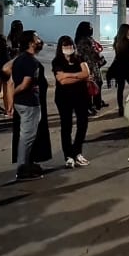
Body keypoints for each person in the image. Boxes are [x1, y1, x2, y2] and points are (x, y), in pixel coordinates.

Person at [6, 30, 45, 180]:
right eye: (37, 38)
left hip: (21, 103)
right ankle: (22, 168)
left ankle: (26, 164)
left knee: (26, 135)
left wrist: (11, 99)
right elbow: (24, 84)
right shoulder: (31, 61)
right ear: (30, 43)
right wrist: (13, 94)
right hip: (29, 103)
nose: (39, 41)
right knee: (27, 137)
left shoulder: (19, 59)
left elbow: (10, 79)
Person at [52, 35, 93, 168]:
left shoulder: (79, 58)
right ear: (60, 48)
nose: (68, 48)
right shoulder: (57, 61)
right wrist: (80, 77)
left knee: (83, 124)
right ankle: (68, 156)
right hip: (64, 97)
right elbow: (62, 81)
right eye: (65, 46)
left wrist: (69, 75)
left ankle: (77, 152)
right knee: (66, 126)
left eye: (70, 46)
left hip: (81, 96)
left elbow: (86, 73)